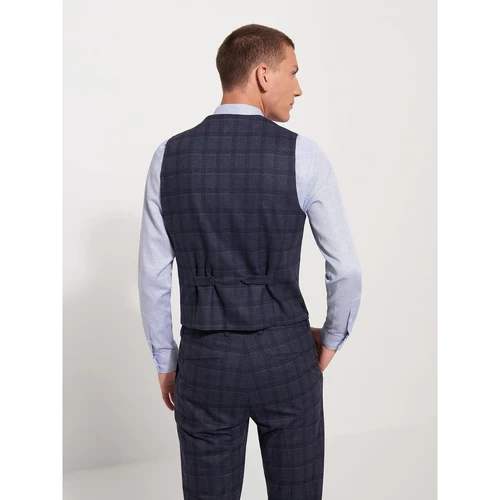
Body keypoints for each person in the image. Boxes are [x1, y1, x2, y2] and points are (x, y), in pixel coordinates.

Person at [138, 23, 362, 500]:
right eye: (292, 72)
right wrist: (330, 341)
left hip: (205, 363)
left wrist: (166, 360)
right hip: (288, 358)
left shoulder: (168, 157)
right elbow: (346, 269)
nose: (298, 88)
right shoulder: (303, 154)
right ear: (263, 74)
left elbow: (153, 275)